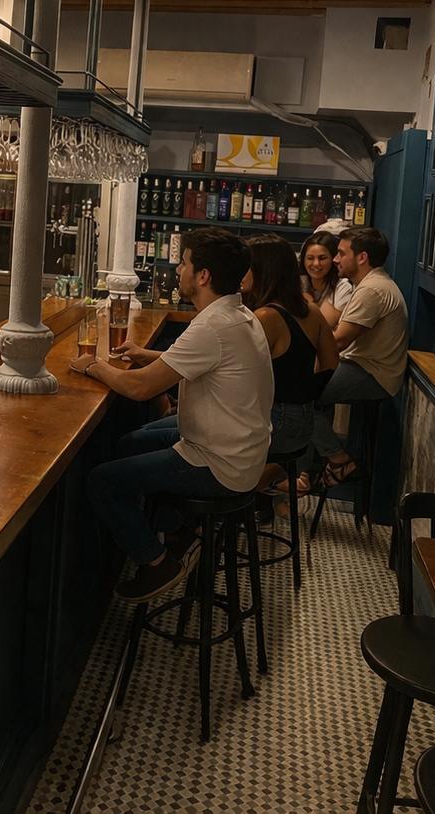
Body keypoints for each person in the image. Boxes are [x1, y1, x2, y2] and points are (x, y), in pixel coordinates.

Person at [74, 227, 274, 602]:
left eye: (183, 262)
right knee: (131, 441)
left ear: (203, 276)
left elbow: (140, 389)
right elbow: (203, 362)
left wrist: (92, 367)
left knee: (102, 480)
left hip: (220, 463)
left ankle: (157, 561)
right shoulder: (237, 314)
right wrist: (146, 355)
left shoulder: (212, 326)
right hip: (239, 447)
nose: (177, 269)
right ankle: (177, 530)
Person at [244, 234, 339, 508]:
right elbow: (332, 362)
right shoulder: (311, 310)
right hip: (302, 422)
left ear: (264, 270)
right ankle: (264, 486)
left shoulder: (266, 317)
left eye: (246, 265)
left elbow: (235, 371)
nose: (240, 271)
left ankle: (251, 490)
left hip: (276, 425)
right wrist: (304, 394)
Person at [311, 226, 408, 487]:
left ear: (362, 257)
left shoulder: (372, 290)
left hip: (372, 373)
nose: (335, 259)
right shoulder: (368, 285)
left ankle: (339, 461)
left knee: (300, 397)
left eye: (341, 253)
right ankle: (318, 466)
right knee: (306, 393)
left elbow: (340, 340)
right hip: (363, 366)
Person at [300, 230, 354, 329]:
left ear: (334, 259)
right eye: (310, 258)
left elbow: (320, 328)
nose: (316, 264)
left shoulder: (343, 288)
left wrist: (310, 304)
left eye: (322, 258)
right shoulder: (298, 284)